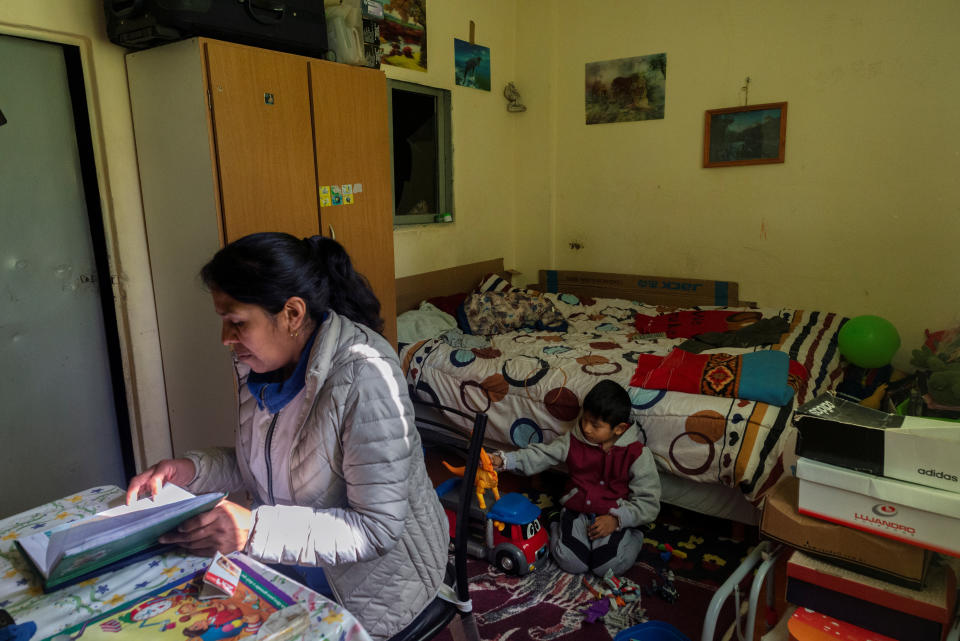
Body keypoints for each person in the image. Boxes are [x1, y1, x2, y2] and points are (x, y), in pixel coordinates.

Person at [126, 232, 449, 640]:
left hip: (376, 588)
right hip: (293, 558)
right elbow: (266, 465)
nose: (225, 339)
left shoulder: (365, 376)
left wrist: (254, 529)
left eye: (237, 322)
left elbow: (376, 529)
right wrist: (189, 470)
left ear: (293, 314)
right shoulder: (259, 369)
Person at [490, 379, 660, 577]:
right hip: (577, 510)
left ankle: (636, 532)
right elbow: (542, 454)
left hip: (615, 514)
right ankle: (556, 520)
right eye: (584, 419)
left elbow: (649, 502)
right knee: (570, 562)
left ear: (619, 429)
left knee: (608, 568)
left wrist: (617, 519)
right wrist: (504, 460)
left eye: (595, 425)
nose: (586, 428)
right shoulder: (573, 441)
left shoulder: (638, 454)